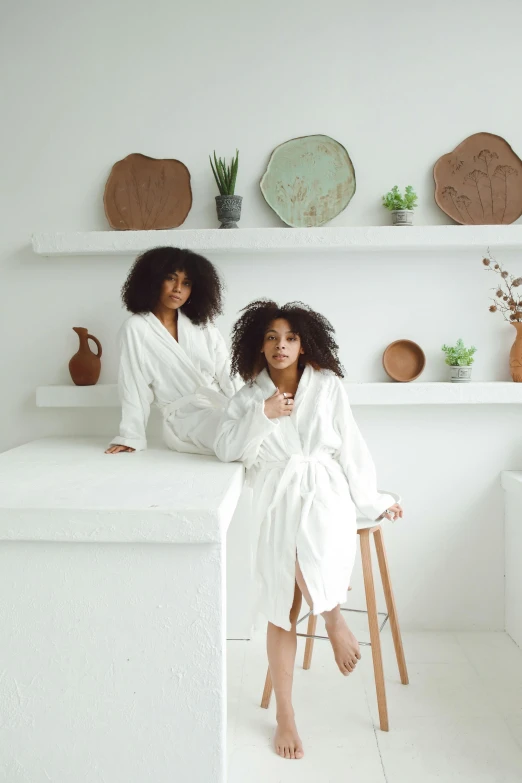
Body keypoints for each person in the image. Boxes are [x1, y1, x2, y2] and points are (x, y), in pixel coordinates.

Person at [214, 300, 403, 760]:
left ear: (304, 344)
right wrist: (264, 415)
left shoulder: (329, 386)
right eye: (272, 337)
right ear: (258, 344)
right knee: (283, 606)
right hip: (279, 495)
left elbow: (351, 448)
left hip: (326, 492)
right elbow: (225, 449)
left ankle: (330, 614)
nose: (281, 346)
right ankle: (287, 711)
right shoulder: (247, 397)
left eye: (291, 338)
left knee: (307, 533)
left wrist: (374, 500)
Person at [106, 246, 240, 455]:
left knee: (263, 429)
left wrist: (246, 406)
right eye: (171, 278)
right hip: (184, 419)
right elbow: (132, 385)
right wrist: (131, 436)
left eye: (186, 283)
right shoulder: (136, 329)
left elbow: (227, 371)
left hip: (222, 407)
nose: (178, 288)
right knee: (240, 438)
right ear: (153, 280)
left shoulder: (202, 325)